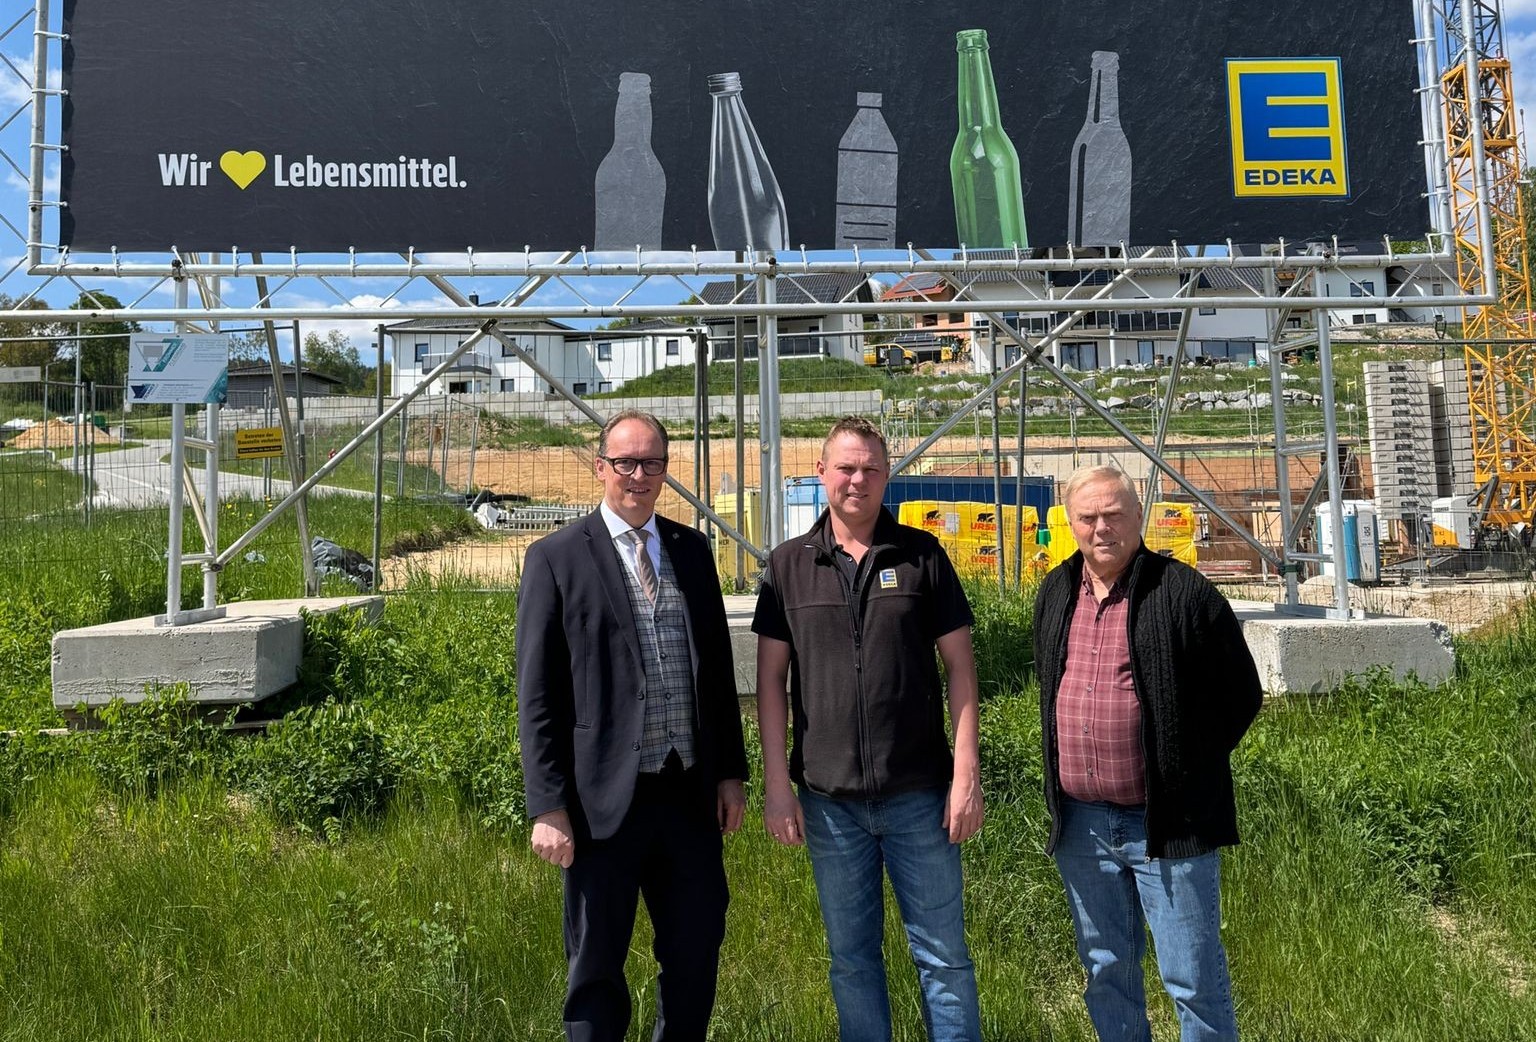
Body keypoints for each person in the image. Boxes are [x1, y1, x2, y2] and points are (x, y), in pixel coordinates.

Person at [517, 410, 749, 1042]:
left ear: (666, 471)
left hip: (687, 795)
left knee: (695, 954)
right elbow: (537, 695)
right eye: (626, 462)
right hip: (599, 807)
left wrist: (731, 773)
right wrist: (548, 806)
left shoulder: (692, 553)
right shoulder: (556, 559)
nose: (639, 475)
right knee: (595, 970)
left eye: (652, 463)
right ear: (602, 468)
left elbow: (718, 678)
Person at [754, 415, 985, 1042]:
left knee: (944, 958)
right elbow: (770, 683)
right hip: (829, 806)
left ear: (887, 478)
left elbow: (961, 667)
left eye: (871, 469)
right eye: (846, 468)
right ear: (821, 472)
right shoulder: (786, 566)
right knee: (853, 962)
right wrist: (778, 786)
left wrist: (967, 776)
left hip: (920, 798)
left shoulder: (922, 555)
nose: (857, 480)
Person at [1033, 464, 1263, 1042]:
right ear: (1070, 523)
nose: (1101, 528)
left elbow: (1241, 695)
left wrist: (1185, 765)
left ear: (1140, 518)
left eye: (1113, 514)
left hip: (1167, 824)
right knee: (1106, 970)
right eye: (1088, 517)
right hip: (1083, 825)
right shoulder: (1056, 591)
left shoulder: (1184, 593)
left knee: (1192, 980)